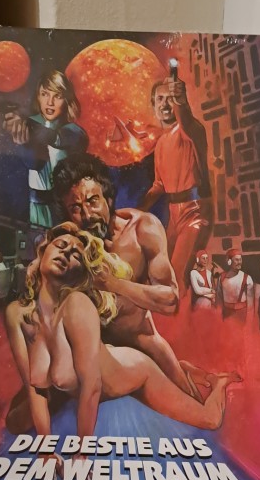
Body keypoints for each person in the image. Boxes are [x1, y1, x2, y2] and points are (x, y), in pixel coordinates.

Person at [5, 224, 239, 440]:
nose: (66, 253)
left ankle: (218, 382)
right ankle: (188, 369)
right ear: (43, 250)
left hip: (135, 371)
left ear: (80, 272)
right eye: (61, 245)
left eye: (76, 254)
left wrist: (82, 451)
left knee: (209, 420)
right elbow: (34, 388)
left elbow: (92, 387)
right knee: (15, 423)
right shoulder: (17, 313)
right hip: (105, 360)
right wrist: (45, 450)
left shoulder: (77, 305)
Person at [52, 153, 203, 399]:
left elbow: (169, 300)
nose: (87, 215)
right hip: (94, 353)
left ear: (109, 199)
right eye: (75, 208)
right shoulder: (69, 244)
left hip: (142, 341)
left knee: (193, 407)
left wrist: (112, 284)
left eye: (92, 201)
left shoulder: (142, 228)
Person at [139, 68, 211, 292]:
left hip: (195, 211)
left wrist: (180, 100)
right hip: (174, 215)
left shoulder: (191, 130)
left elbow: (187, 121)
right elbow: (159, 185)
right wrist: (136, 211)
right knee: (162, 273)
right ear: (153, 105)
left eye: (170, 99)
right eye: (160, 99)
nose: (165, 104)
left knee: (178, 276)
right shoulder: (161, 143)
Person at [2, 70, 89, 229]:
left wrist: (28, 126)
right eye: (45, 94)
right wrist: (23, 142)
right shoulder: (30, 123)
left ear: (66, 100)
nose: (50, 102)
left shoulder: (71, 130)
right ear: (38, 96)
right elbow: (34, 164)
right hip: (36, 203)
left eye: (57, 96)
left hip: (65, 204)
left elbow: (61, 138)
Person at [218, 249, 254, 322]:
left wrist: (249, 322)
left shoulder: (247, 278)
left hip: (241, 315)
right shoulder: (221, 278)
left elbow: (250, 305)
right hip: (226, 315)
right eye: (237, 260)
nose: (239, 262)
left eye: (240, 259)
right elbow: (219, 300)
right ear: (229, 261)